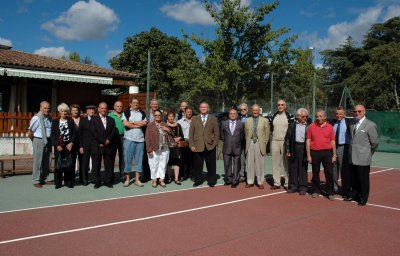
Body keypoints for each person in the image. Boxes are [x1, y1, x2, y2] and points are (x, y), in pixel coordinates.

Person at [349, 104, 379, 206]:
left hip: (363, 157)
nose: (357, 113)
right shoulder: (352, 124)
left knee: (363, 179)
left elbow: (374, 142)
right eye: (355, 111)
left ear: (364, 112)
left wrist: (369, 153)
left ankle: (363, 198)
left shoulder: (370, 125)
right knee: (354, 178)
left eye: (359, 111)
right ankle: (355, 194)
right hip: (352, 157)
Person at [306, 110, 336, 200]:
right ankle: (316, 190)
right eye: (317, 116)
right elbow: (308, 141)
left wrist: (334, 154)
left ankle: (330, 192)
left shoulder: (330, 127)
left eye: (321, 116)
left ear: (325, 117)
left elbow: (332, 141)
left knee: (329, 173)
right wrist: (308, 155)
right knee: (315, 172)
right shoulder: (311, 126)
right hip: (314, 152)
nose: (319, 118)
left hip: (327, 153)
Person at [189, 102, 219, 187]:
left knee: (211, 165)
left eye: (205, 107)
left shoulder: (213, 118)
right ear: (199, 108)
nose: (203, 108)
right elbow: (191, 133)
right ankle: (198, 180)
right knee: (198, 165)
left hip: (210, 145)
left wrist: (214, 144)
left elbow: (216, 133)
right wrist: (191, 145)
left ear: (208, 109)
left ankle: (211, 181)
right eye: (202, 107)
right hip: (197, 145)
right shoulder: (194, 118)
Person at [269, 99, 295, 189]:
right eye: (278, 105)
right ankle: (276, 183)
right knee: (275, 163)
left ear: (285, 106)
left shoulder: (290, 116)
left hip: (285, 142)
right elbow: (271, 128)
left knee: (286, 163)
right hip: (275, 141)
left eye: (282, 105)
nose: (280, 106)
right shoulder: (273, 116)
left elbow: (292, 129)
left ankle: (287, 183)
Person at [122, 97, 147, 187]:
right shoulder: (126, 112)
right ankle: (127, 179)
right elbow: (126, 124)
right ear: (130, 103)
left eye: (137, 102)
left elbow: (144, 123)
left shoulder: (142, 113)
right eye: (134, 102)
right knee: (127, 160)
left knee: (139, 161)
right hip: (129, 139)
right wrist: (138, 124)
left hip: (140, 140)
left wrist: (132, 122)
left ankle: (137, 180)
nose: (135, 104)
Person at [285, 108, 311, 195]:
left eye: (306, 116)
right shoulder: (292, 125)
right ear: (298, 116)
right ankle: (293, 186)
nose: (305, 118)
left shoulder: (309, 125)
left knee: (303, 168)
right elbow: (287, 138)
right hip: (294, 147)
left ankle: (303, 187)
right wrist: (288, 149)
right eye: (303, 116)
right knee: (293, 168)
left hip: (304, 147)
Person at [90, 102, 116, 189]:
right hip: (97, 145)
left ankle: (107, 181)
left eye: (105, 108)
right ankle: (97, 181)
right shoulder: (93, 119)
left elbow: (112, 132)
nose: (104, 110)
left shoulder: (111, 119)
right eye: (102, 108)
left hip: (108, 146)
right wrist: (102, 141)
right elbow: (93, 132)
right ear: (98, 109)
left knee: (108, 164)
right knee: (96, 164)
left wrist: (108, 140)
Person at [244, 104, 270, 189]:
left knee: (260, 163)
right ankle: (250, 181)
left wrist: (264, 143)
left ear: (259, 111)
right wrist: (249, 140)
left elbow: (267, 134)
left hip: (260, 143)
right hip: (250, 142)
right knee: (250, 163)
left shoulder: (265, 120)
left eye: (257, 110)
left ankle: (260, 181)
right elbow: (246, 133)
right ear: (252, 111)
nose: (255, 112)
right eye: (254, 110)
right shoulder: (247, 120)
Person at [330, 106, 353, 198]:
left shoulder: (349, 122)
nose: (338, 115)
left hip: (343, 148)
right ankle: (335, 187)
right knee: (334, 168)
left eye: (340, 114)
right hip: (333, 147)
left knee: (344, 169)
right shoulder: (332, 122)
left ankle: (345, 189)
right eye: (337, 114)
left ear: (344, 114)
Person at [28, 101, 52, 188]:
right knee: (38, 162)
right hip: (38, 140)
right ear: (40, 108)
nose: (47, 110)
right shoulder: (36, 118)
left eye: (48, 108)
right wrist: (35, 141)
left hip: (48, 141)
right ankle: (36, 180)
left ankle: (44, 178)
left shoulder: (49, 117)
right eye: (45, 108)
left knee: (47, 161)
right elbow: (30, 132)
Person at [51, 103, 75, 189]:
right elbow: (53, 135)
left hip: (68, 145)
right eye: (62, 111)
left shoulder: (70, 121)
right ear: (59, 112)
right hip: (59, 146)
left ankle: (68, 182)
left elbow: (74, 133)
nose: (64, 113)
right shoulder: (55, 121)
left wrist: (71, 143)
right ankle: (58, 183)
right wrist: (57, 145)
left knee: (68, 164)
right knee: (58, 164)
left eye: (65, 111)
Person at [146, 109, 171, 188]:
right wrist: (149, 149)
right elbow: (147, 138)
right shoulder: (150, 125)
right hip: (154, 148)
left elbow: (172, 135)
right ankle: (154, 180)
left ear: (161, 116)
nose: (157, 116)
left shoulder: (165, 124)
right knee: (154, 164)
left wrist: (168, 130)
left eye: (159, 115)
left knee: (163, 165)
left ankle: (161, 179)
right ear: (153, 116)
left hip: (165, 148)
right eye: (156, 115)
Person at [220, 108, 245, 188]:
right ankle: (228, 180)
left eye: (234, 113)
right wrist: (228, 141)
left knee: (237, 165)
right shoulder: (224, 123)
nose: (232, 115)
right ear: (229, 115)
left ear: (237, 115)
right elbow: (222, 135)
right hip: (227, 147)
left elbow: (242, 136)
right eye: (231, 113)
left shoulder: (241, 124)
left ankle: (235, 181)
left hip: (237, 147)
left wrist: (238, 143)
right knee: (227, 165)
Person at [108, 101, 125, 182]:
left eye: (120, 106)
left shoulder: (125, 115)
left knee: (123, 156)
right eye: (117, 106)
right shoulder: (109, 115)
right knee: (112, 156)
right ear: (114, 107)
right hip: (113, 138)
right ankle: (111, 175)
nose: (119, 108)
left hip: (123, 138)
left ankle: (122, 175)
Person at [79, 105, 96, 186]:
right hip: (85, 145)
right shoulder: (83, 120)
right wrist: (81, 146)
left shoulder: (97, 119)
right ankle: (85, 179)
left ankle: (93, 178)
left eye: (93, 109)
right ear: (87, 111)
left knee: (95, 162)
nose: (92, 111)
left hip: (95, 145)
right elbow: (80, 134)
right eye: (90, 109)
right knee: (84, 163)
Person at [166, 111, 184, 185]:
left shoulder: (178, 125)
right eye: (169, 116)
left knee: (177, 162)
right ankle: (169, 177)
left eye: (172, 116)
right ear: (167, 117)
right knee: (169, 163)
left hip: (176, 147)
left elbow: (182, 135)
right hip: (167, 146)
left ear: (174, 117)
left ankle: (176, 179)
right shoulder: (165, 125)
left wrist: (179, 138)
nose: (171, 117)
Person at [177, 107, 193, 181]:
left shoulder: (195, 121)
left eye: (190, 112)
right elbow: (178, 133)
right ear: (185, 113)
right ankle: (183, 175)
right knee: (183, 160)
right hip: (184, 142)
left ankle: (192, 175)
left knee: (192, 160)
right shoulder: (180, 122)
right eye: (187, 112)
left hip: (193, 142)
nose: (189, 113)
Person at [70, 104, 82, 184]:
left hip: (81, 144)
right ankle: (72, 179)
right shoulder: (68, 120)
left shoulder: (83, 119)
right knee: (72, 162)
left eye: (76, 110)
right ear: (70, 111)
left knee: (82, 162)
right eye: (73, 110)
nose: (75, 111)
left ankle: (82, 178)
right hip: (71, 145)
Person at [238, 103, 250, 182]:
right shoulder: (236, 118)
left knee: (250, 160)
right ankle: (242, 176)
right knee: (241, 159)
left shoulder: (252, 118)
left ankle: (250, 176)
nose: (243, 111)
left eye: (244, 109)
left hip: (250, 142)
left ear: (247, 110)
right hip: (239, 142)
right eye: (241, 109)